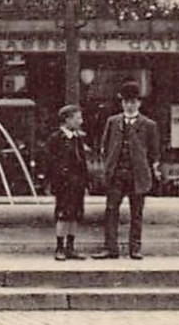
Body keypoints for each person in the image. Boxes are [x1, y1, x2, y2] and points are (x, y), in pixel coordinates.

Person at [93, 84, 161, 260]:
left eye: (132, 102)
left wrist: (151, 168)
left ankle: (135, 248)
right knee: (110, 210)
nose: (129, 105)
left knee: (136, 212)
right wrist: (108, 166)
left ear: (139, 103)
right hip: (117, 173)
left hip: (137, 174)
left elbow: (154, 151)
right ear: (122, 103)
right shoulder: (113, 122)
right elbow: (105, 145)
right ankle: (111, 248)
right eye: (126, 102)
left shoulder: (148, 125)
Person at [43, 104, 89, 260]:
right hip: (63, 184)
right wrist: (52, 182)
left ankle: (71, 247)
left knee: (75, 215)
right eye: (78, 118)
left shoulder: (77, 139)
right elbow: (49, 162)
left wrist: (85, 182)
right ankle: (60, 247)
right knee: (63, 215)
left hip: (77, 184)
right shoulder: (55, 138)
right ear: (67, 119)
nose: (81, 121)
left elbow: (82, 162)